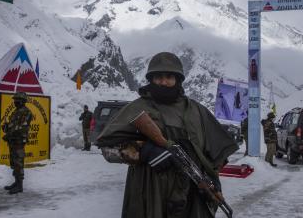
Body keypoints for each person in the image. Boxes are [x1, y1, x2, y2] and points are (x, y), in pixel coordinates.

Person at [97, 52, 238, 218]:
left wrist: (211, 180)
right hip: (149, 195)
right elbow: (108, 148)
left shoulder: (196, 111)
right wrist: (144, 151)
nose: (164, 82)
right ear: (151, 79)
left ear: (178, 80)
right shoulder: (137, 109)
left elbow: (218, 155)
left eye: (169, 76)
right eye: (158, 77)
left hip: (192, 194)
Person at [2, 92, 33, 194]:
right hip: (13, 140)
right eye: (14, 100)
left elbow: (22, 127)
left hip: (19, 140)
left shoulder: (26, 112)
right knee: (14, 162)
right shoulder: (16, 111)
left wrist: (9, 133)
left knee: (19, 162)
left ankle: (20, 186)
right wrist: (6, 127)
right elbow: (12, 125)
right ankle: (16, 182)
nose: (15, 102)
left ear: (22, 101)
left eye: (17, 100)